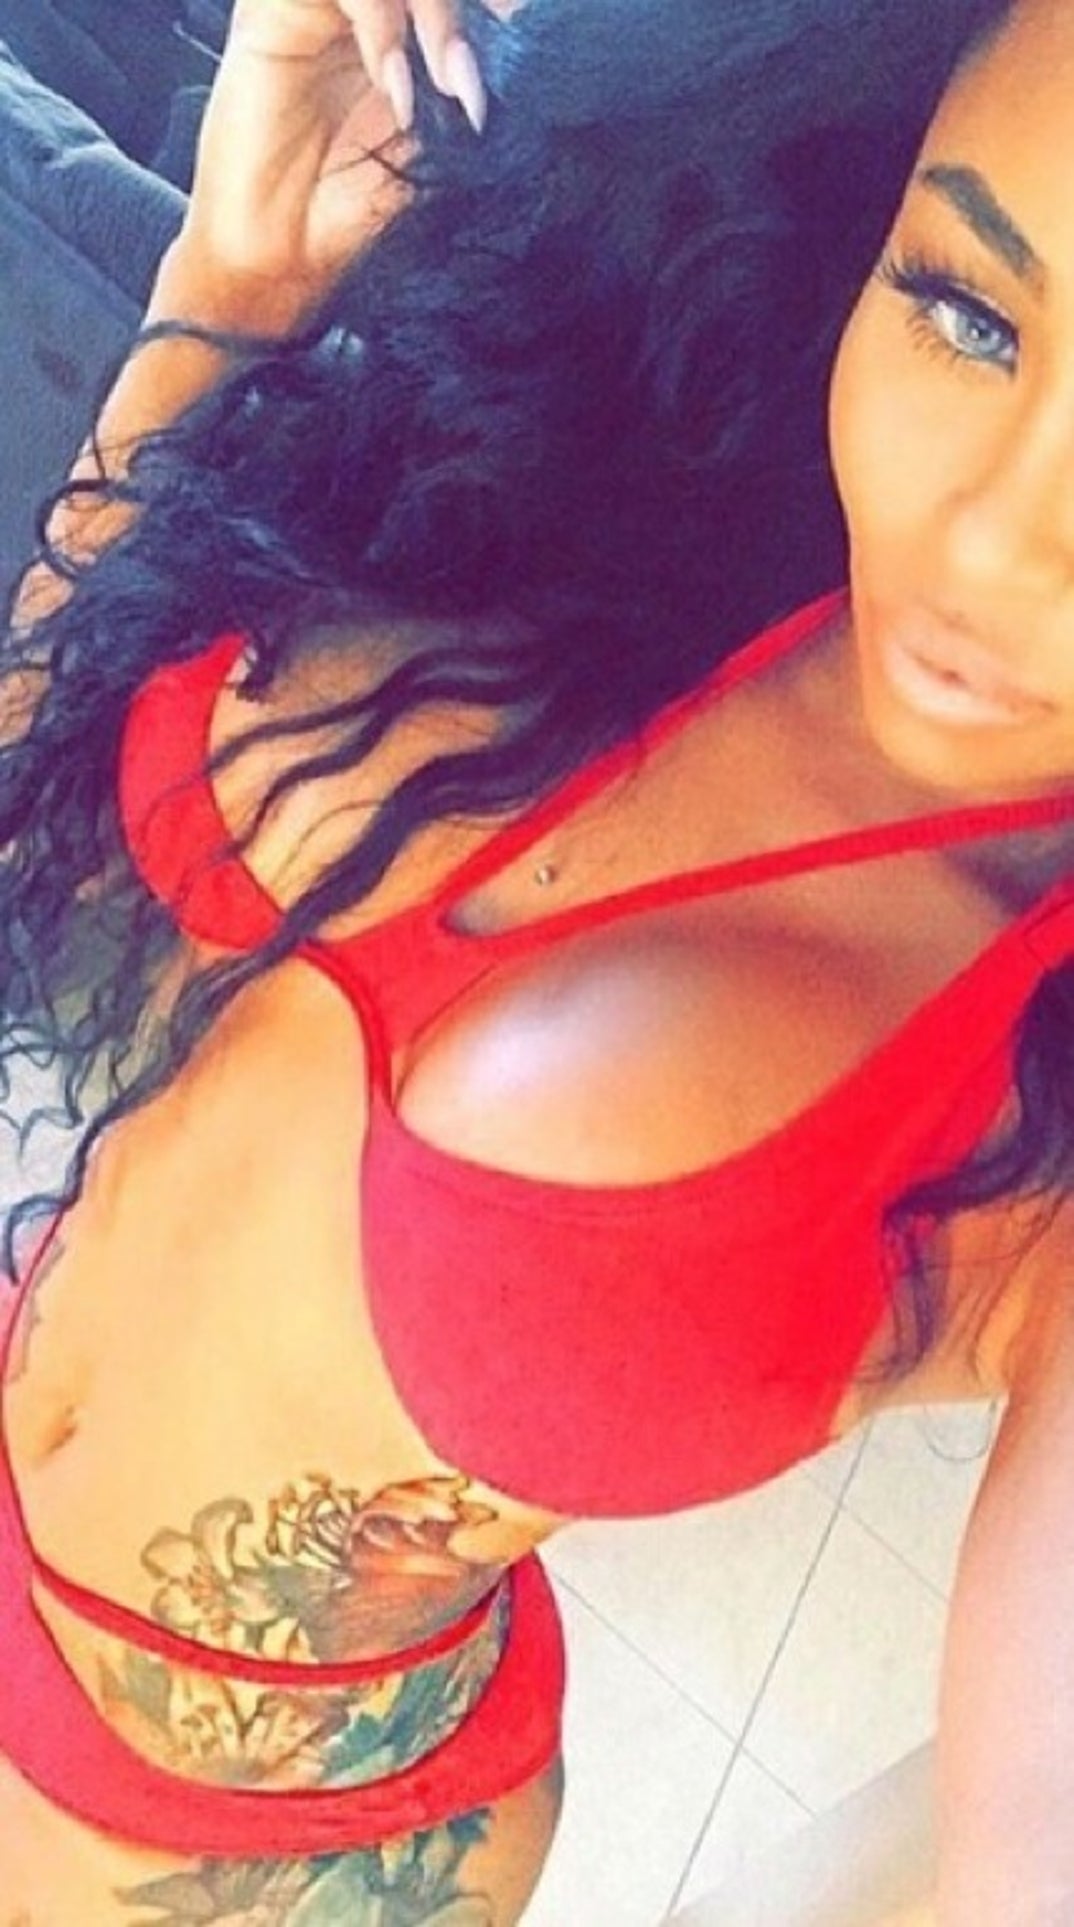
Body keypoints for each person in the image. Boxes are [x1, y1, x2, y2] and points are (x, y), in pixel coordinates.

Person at [1, 0, 1073, 1918]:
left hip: (230, 1865)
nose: (999, 542)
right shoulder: (640, 453)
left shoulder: (1039, 1087)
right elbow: (40, 801)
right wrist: (230, 277)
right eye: (967, 312)